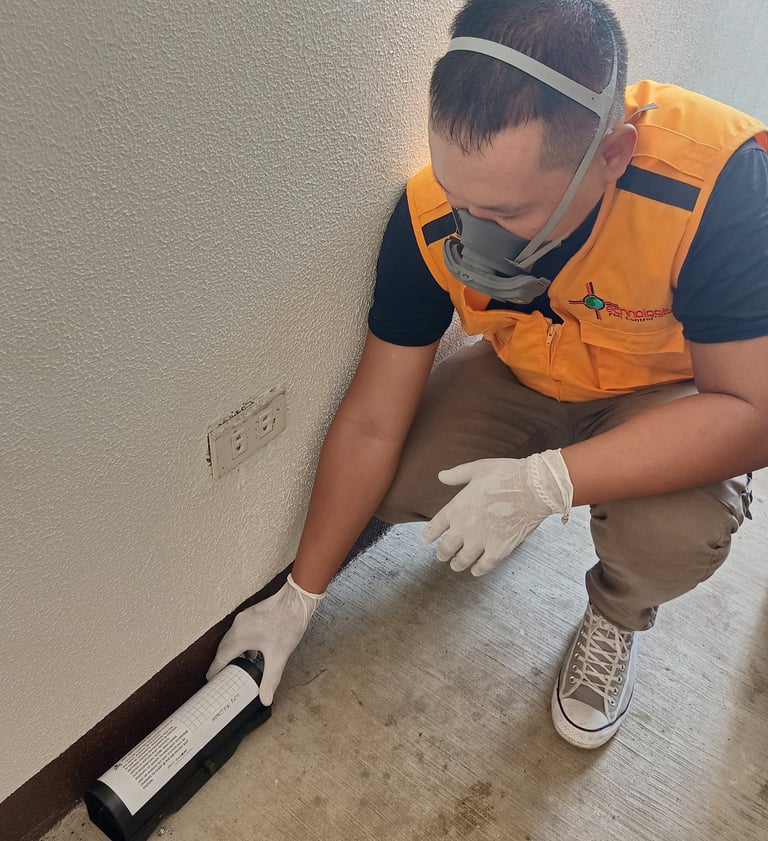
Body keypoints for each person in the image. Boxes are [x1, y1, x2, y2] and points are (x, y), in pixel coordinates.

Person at [207, 0, 768, 749]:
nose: (471, 230)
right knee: (403, 472)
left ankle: (615, 616)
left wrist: (547, 482)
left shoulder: (718, 185)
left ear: (613, 155)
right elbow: (373, 417)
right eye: (460, 195)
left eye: (506, 211)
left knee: (674, 532)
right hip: (528, 375)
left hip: (665, 392)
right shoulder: (429, 213)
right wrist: (298, 597)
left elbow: (753, 409)